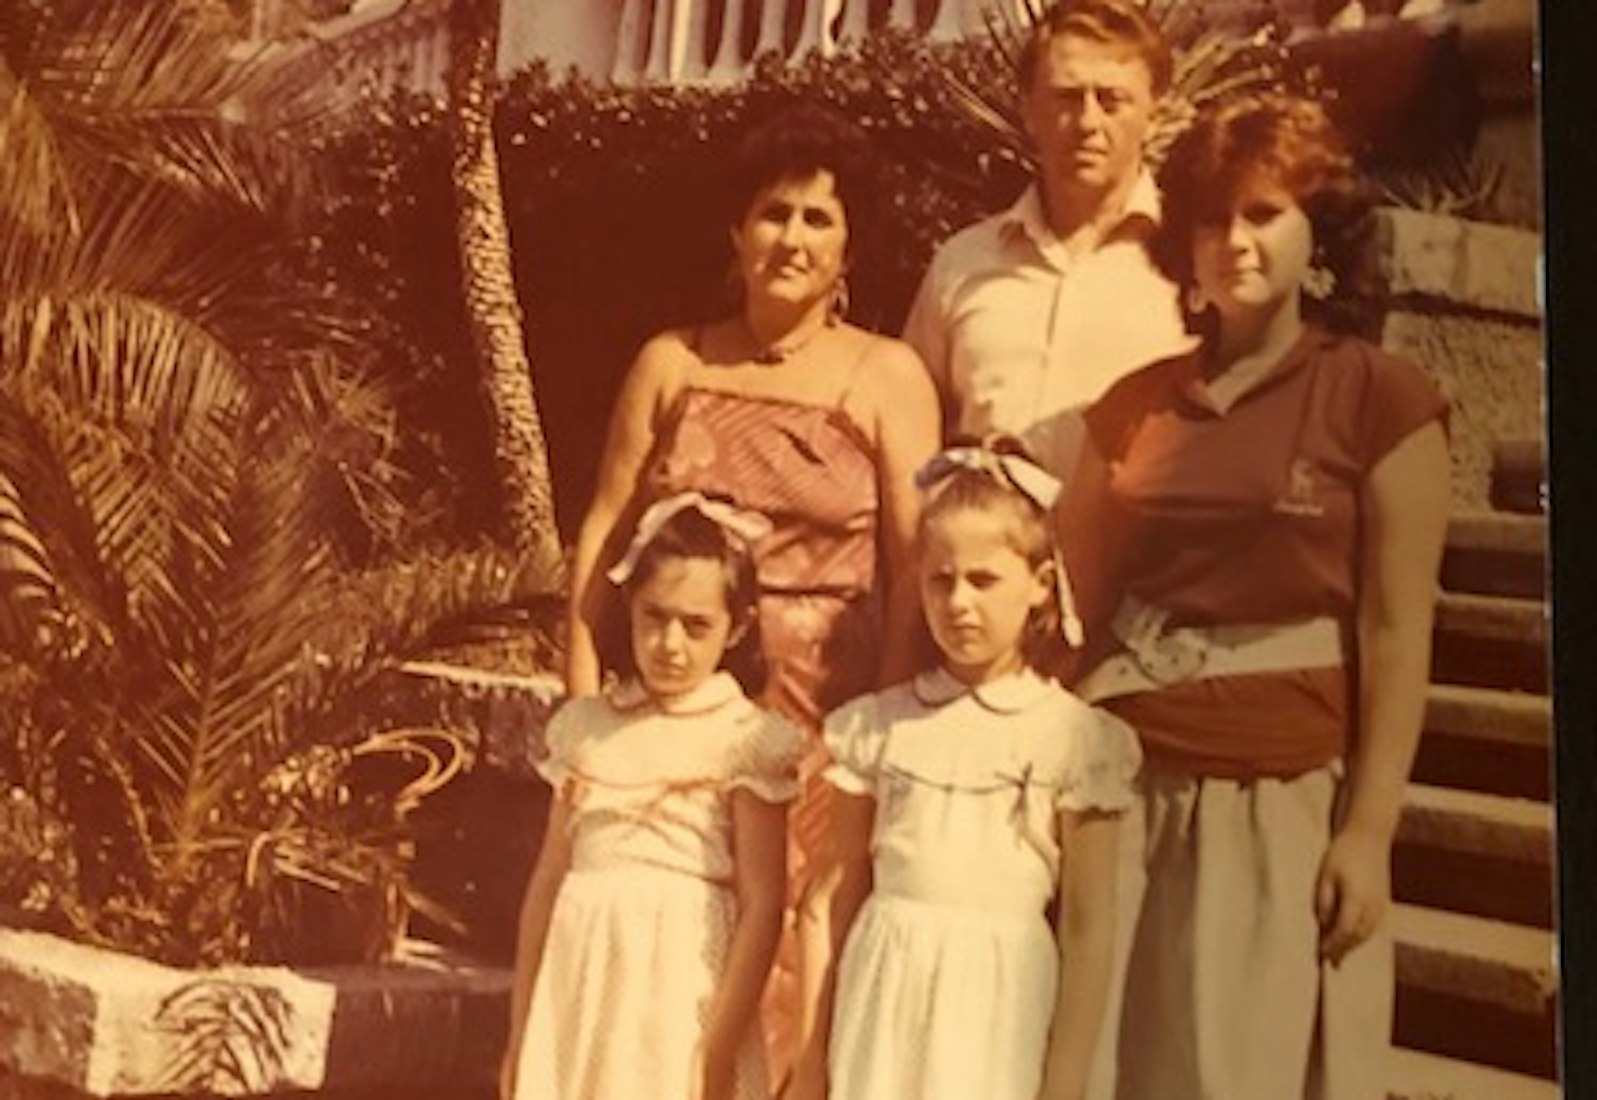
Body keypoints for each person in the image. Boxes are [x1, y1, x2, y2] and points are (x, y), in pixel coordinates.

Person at [1060, 93, 1451, 1100]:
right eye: (1210, 218)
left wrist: (1366, 831)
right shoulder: (1133, 404)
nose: (1233, 241)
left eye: (1263, 213)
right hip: (1125, 796)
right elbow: (1076, 602)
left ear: (1317, 229)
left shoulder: (1381, 399)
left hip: (1277, 796)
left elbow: (1397, 631)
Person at [564, 101, 940, 1078]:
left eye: (819, 218)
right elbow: (604, 529)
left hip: (824, 721)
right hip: (674, 700)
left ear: (849, 241)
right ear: (736, 229)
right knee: (675, 932)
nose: (793, 237)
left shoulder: (888, 375)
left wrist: (883, 726)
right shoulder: (673, 361)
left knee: (796, 946)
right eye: (774, 213)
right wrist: (578, 696)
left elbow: (910, 569)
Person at [788, 441, 1140, 1100]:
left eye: (983, 580)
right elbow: (828, 899)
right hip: (884, 994)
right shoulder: (878, 728)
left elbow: (1090, 926)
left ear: (1039, 584)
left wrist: (1064, 1084)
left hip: (997, 1006)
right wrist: (810, 1061)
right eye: (939, 579)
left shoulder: (1072, 738)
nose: (958, 603)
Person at [502, 493, 804, 1100]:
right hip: (581, 987)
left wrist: (715, 1050)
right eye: (654, 617)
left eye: (696, 626)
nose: (670, 644)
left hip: (678, 995)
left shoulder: (741, 737)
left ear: (737, 627)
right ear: (630, 611)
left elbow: (763, 907)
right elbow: (546, 884)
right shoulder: (587, 730)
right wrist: (521, 1035)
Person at [903, 0, 1194, 482]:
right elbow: (912, 440)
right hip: (988, 552)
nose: (1087, 123)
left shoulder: (1194, 262)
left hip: (1139, 555)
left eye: (1111, 99)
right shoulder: (961, 265)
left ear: (1154, 114)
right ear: (1028, 110)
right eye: (1066, 96)